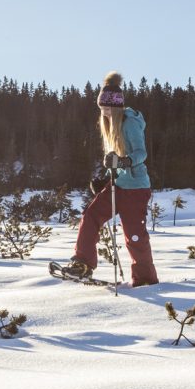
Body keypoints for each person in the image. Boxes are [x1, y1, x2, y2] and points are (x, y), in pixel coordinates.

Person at [61, 72, 159, 287]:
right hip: (118, 185)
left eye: (107, 109)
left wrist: (124, 162)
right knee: (90, 216)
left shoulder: (130, 123)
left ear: (116, 107)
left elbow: (141, 153)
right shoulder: (109, 126)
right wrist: (105, 179)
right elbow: (113, 159)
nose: (103, 113)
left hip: (136, 188)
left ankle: (145, 280)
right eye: (101, 109)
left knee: (134, 236)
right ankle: (82, 264)